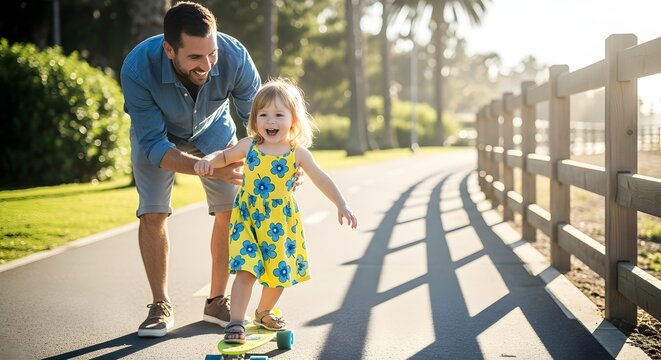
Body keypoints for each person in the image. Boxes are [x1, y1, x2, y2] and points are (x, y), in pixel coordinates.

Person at [120, 1, 261, 337]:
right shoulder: (137, 69)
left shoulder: (234, 56)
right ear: (170, 49)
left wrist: (283, 164)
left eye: (211, 54)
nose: (208, 65)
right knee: (153, 213)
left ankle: (216, 301)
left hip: (214, 132)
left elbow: (260, 122)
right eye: (195, 57)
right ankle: (160, 305)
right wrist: (209, 168)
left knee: (229, 208)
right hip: (158, 138)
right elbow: (155, 146)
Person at [194, 78, 358, 344]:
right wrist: (207, 159)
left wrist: (341, 203)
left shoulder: (297, 154)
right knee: (246, 269)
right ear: (255, 119)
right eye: (264, 114)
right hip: (248, 218)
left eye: (278, 115)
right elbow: (224, 156)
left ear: (293, 120)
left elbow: (321, 178)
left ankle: (263, 311)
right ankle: (236, 322)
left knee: (279, 274)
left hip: (280, 222)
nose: (270, 121)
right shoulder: (249, 146)